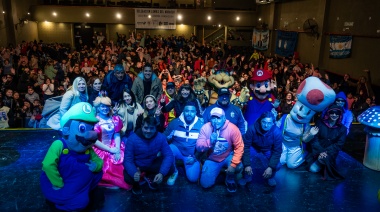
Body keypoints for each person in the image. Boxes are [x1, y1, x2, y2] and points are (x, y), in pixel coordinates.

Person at [40, 102, 104, 211]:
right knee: (81, 202)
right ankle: (60, 201)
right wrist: (58, 183)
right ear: (66, 130)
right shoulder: (59, 145)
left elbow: (99, 161)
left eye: (92, 128)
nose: (92, 134)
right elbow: (48, 165)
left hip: (77, 181)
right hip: (62, 181)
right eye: (82, 128)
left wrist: (96, 165)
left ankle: (82, 192)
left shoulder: (88, 149)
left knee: (98, 173)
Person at [196, 107, 244, 193]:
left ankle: (230, 178)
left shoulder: (233, 128)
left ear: (224, 118)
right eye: (213, 118)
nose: (216, 121)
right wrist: (209, 142)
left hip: (228, 156)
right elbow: (198, 147)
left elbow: (239, 147)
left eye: (219, 118)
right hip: (212, 159)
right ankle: (220, 174)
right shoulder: (206, 128)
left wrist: (233, 165)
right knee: (205, 185)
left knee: (238, 166)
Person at [123, 116, 175, 195]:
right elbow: (127, 159)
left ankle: (151, 176)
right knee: (128, 178)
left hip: (152, 163)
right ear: (142, 127)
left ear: (155, 128)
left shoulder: (160, 137)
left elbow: (168, 155)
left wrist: (162, 173)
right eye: (146, 128)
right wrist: (134, 172)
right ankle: (136, 184)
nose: (148, 131)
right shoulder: (132, 139)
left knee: (171, 168)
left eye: (151, 128)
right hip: (138, 166)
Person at [92, 94, 132, 190]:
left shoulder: (114, 119)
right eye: (102, 106)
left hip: (115, 145)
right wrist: (110, 150)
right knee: (107, 164)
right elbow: (94, 140)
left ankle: (125, 179)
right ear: (98, 107)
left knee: (122, 159)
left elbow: (117, 134)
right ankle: (110, 181)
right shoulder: (94, 121)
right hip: (100, 148)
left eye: (107, 106)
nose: (105, 108)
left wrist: (117, 148)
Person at [163, 102, 203, 185]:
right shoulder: (175, 123)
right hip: (177, 150)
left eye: (192, 111)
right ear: (183, 111)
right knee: (169, 149)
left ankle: (188, 166)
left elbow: (204, 146)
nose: (189, 113)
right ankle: (174, 171)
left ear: (195, 112)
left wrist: (195, 158)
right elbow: (164, 138)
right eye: (187, 111)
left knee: (193, 179)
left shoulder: (201, 124)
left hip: (192, 155)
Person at [305, 105, 347, 180]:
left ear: (340, 115)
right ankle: (319, 162)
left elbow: (339, 144)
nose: (334, 115)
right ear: (328, 113)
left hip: (330, 152)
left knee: (324, 162)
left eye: (337, 113)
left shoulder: (342, 129)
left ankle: (323, 163)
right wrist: (320, 151)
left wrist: (326, 152)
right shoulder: (320, 123)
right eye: (332, 113)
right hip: (317, 150)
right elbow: (314, 139)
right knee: (313, 169)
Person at [241, 111, 282, 187]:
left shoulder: (277, 133)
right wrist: (247, 165)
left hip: (268, 148)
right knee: (244, 160)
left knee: (277, 165)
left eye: (269, 123)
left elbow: (277, 151)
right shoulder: (252, 129)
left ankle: (270, 177)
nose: (266, 125)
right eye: (264, 122)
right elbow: (245, 146)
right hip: (254, 146)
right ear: (260, 121)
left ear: (273, 123)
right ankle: (246, 177)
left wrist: (270, 167)